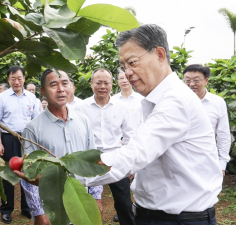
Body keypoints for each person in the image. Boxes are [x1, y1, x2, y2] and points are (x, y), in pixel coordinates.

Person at [83, 24, 222, 225]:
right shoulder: (152, 101)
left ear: (159, 54)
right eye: (123, 67)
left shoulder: (175, 101)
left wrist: (64, 172)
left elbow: (133, 155)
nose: (128, 72)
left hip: (179, 220)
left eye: (132, 62)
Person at [14, 69, 103, 225]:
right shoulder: (32, 128)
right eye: (53, 84)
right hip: (52, 204)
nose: (61, 89)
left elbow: (93, 161)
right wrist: (39, 212)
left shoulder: (83, 120)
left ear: (71, 87)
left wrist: (95, 196)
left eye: (65, 83)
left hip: (80, 197)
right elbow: (29, 173)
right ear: (43, 91)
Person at [74, 68, 135, 225]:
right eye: (98, 82)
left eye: (106, 83)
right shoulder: (81, 108)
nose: (102, 86)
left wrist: (129, 162)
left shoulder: (121, 107)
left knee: (124, 203)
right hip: (89, 159)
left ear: (112, 84)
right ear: (91, 83)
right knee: (79, 199)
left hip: (115, 159)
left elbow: (129, 136)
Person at [0, 66, 39, 223]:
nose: (16, 81)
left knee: (28, 173)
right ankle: (6, 209)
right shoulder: (1, 98)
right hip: (9, 138)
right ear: (8, 80)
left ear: (24, 79)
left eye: (19, 78)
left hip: (27, 139)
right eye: (13, 78)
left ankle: (27, 208)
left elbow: (36, 121)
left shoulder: (32, 98)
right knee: (9, 175)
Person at [183, 64, 231, 177]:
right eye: (187, 80)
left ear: (206, 81)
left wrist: (222, 164)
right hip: (182, 161)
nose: (191, 84)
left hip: (208, 160)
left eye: (196, 80)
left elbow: (223, 135)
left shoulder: (217, 103)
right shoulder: (179, 102)